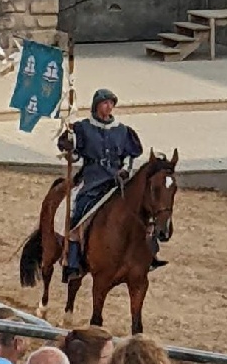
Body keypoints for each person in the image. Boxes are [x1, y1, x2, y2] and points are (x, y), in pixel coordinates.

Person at [57, 88, 161, 280]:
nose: (109, 106)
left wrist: (126, 171)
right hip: (93, 179)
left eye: (112, 103)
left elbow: (131, 155)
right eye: (105, 103)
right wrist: (70, 144)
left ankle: (149, 253)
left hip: (118, 180)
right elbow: (75, 154)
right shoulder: (83, 128)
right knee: (78, 212)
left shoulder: (122, 131)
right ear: (97, 106)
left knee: (144, 210)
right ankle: (72, 261)